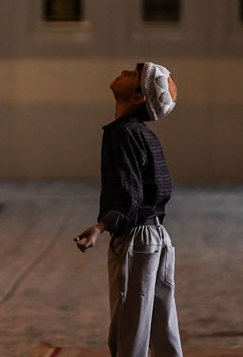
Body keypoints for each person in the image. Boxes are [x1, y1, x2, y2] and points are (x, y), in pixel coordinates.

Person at [74, 61, 183, 357]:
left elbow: (128, 193)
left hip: (138, 241)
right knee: (163, 330)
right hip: (158, 237)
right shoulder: (144, 135)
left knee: (128, 332)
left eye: (133, 75)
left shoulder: (123, 134)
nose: (125, 71)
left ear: (138, 98)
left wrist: (102, 226)